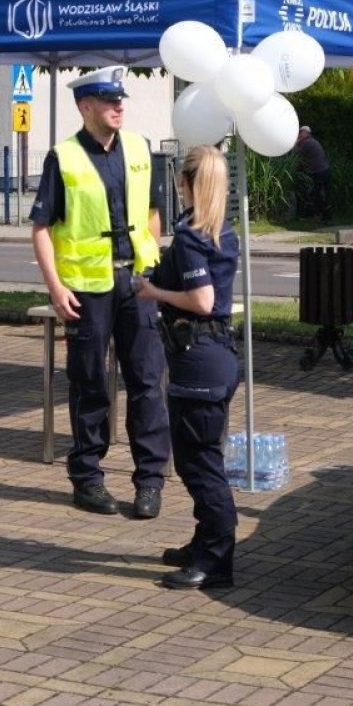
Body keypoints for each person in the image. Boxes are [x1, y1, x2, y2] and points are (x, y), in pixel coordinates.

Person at [30, 66, 169, 519]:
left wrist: (151, 262)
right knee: (89, 384)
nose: (119, 107)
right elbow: (41, 229)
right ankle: (87, 477)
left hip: (137, 283)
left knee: (147, 381)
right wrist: (55, 287)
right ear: (84, 106)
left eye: (121, 99)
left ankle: (150, 480)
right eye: (109, 100)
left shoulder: (138, 148)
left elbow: (151, 212)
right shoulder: (63, 157)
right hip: (88, 288)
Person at [135, 144, 240, 591]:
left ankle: (217, 560)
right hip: (212, 358)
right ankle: (205, 541)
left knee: (201, 465)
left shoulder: (195, 236)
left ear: (189, 184)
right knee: (196, 459)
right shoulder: (221, 232)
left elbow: (202, 301)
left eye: (180, 181)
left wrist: (154, 294)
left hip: (200, 360)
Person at [293, 125, 332, 220]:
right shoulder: (312, 141)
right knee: (324, 194)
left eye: (301, 132)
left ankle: (317, 215)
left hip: (319, 172)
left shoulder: (306, 143)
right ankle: (325, 217)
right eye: (299, 132)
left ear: (307, 133)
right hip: (325, 170)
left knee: (315, 194)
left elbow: (295, 153)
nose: (299, 134)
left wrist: (296, 142)